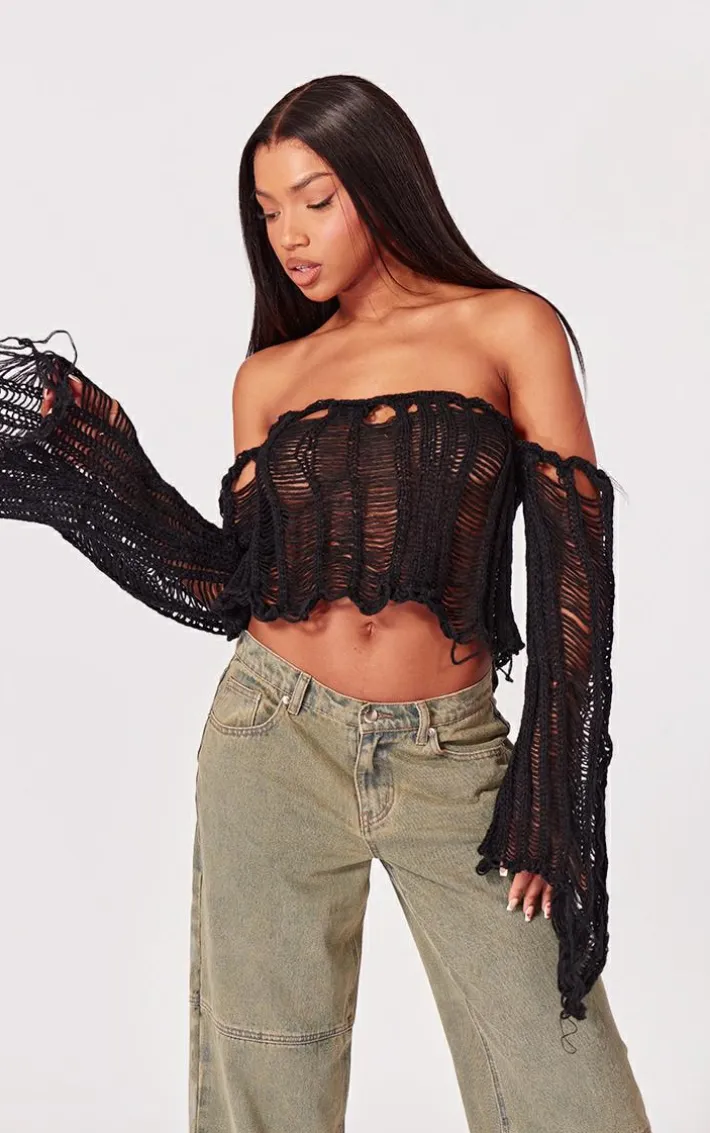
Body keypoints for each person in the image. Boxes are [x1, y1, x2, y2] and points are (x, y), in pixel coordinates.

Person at [0, 73, 651, 1133]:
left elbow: (576, 570)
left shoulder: (507, 328)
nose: (289, 236)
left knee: (567, 1082)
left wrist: (552, 793)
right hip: (274, 738)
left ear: (380, 184)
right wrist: (97, 460)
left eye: (314, 199)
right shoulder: (270, 377)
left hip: (453, 756)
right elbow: (235, 585)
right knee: (266, 1085)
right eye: (267, 212)